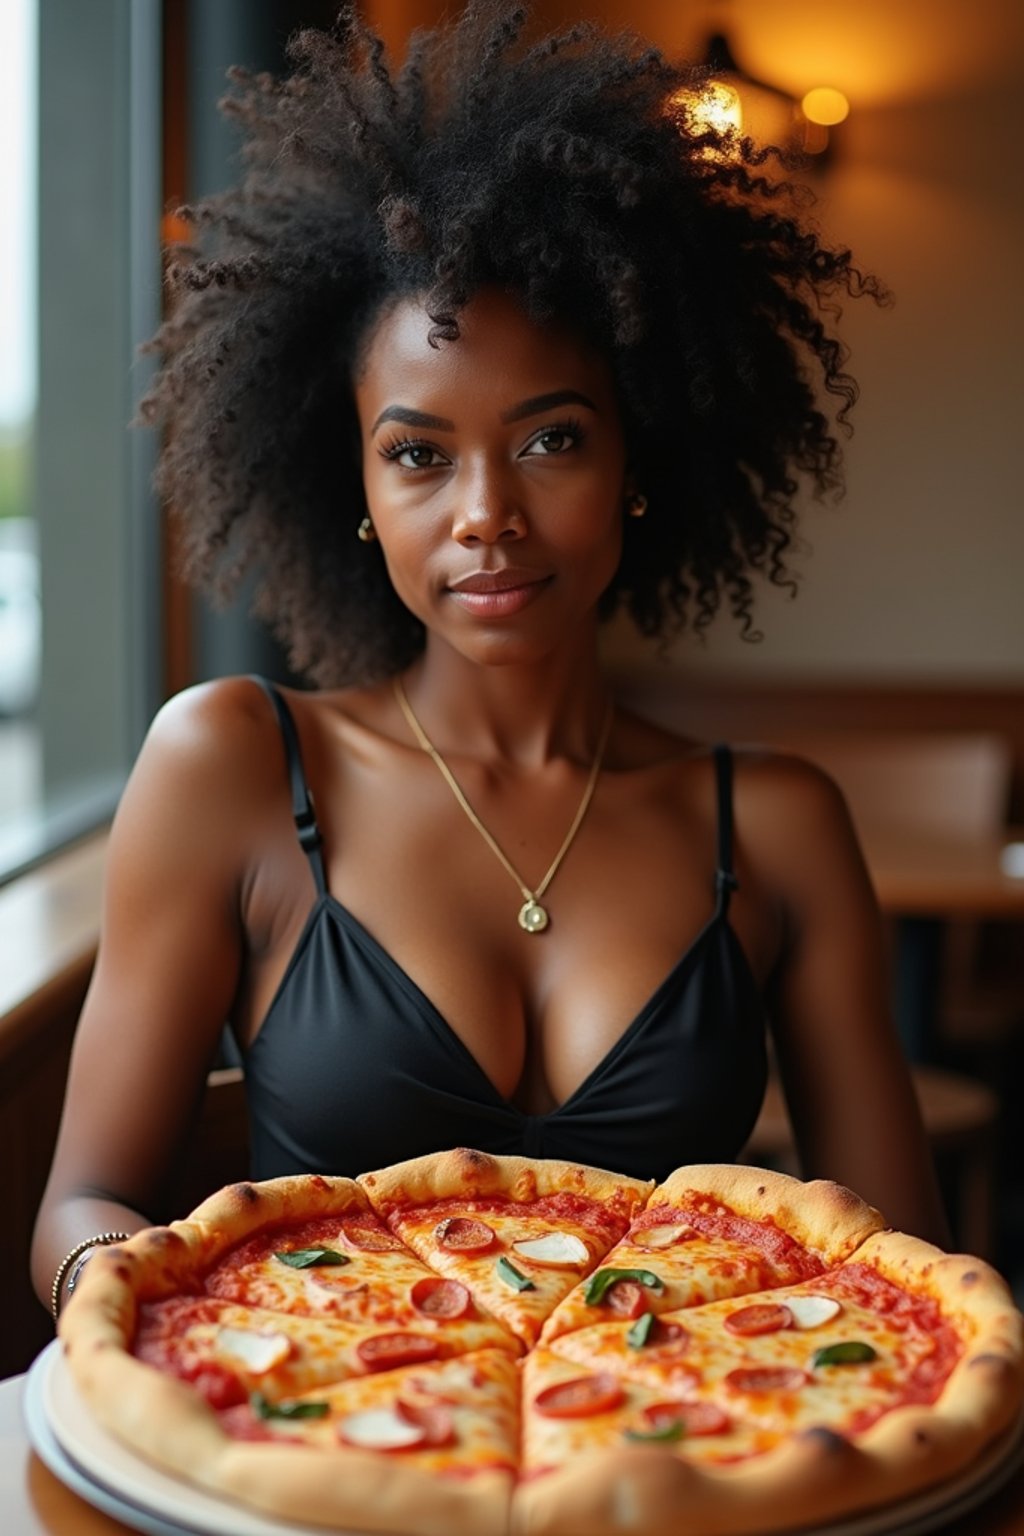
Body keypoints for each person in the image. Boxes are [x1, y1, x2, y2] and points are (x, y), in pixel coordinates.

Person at [32, 1, 947, 1317]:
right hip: (317, 1459)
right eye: (417, 453)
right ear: (349, 480)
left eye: (552, 438)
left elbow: (898, 1276)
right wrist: (185, 1334)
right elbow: (79, 1206)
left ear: (641, 459)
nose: (486, 515)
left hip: (677, 1474)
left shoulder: (782, 824)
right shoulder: (231, 764)